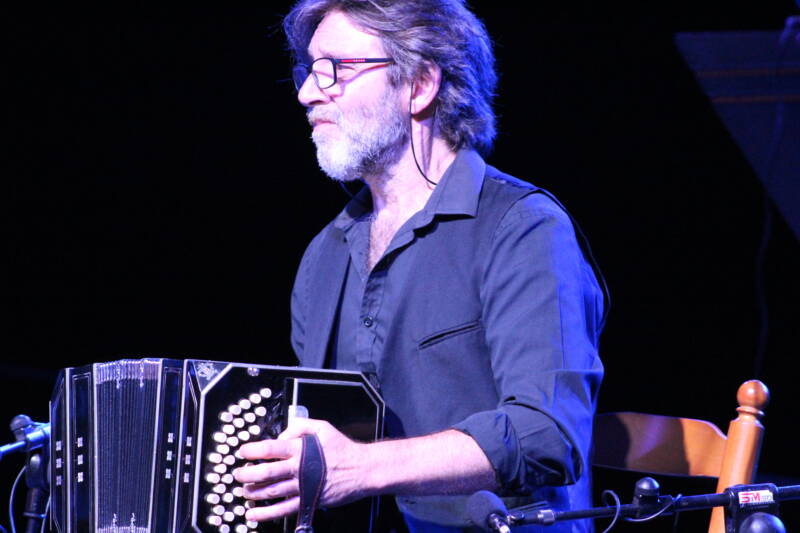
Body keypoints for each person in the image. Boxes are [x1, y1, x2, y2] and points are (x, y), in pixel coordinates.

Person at [234, 1, 607, 531]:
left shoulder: (522, 228)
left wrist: (362, 468)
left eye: (334, 68)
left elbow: (546, 433)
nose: (308, 93)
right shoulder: (326, 253)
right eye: (309, 70)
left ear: (420, 84)